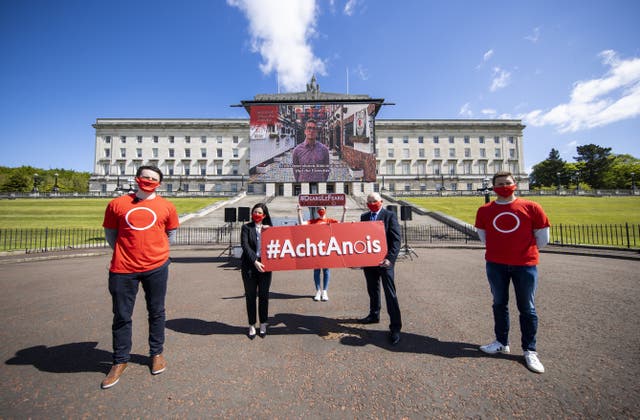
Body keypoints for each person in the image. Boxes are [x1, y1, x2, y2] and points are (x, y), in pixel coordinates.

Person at [101, 165, 179, 389]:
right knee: (122, 315)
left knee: (157, 311)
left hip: (156, 266)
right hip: (123, 268)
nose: (148, 180)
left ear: (160, 183)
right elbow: (111, 234)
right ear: (136, 179)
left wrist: (159, 252)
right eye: (144, 177)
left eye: (153, 178)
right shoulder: (117, 204)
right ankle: (120, 360)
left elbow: (170, 232)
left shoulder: (167, 206)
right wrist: (126, 251)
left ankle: (156, 354)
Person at [474, 171, 550, 374]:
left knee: (527, 308)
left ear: (515, 184)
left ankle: (530, 350)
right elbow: (484, 237)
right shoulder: (485, 210)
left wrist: (522, 251)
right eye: (500, 183)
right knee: (499, 304)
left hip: (525, 264)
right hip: (496, 263)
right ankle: (501, 341)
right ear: (493, 187)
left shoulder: (531, 207)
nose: (504, 186)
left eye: (508, 182)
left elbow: (542, 238)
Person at [359, 192, 403, 345]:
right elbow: (360, 239)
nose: (371, 203)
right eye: (369, 201)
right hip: (369, 261)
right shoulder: (364, 217)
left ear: (381, 201)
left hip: (385, 262)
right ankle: (374, 314)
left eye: (374, 201)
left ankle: (395, 327)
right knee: (372, 289)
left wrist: (390, 259)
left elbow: (396, 240)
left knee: (390, 294)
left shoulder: (389, 215)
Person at [296, 204, 347, 301]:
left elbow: (341, 224)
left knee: (326, 270)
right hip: (316, 248)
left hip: (327, 248)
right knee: (316, 270)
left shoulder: (329, 220)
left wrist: (344, 212)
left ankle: (325, 291)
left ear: (325, 210)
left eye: (322, 209)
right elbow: (302, 224)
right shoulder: (314, 221)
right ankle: (318, 291)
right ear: (316, 211)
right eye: (319, 209)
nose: (320, 210)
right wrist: (299, 211)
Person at [240, 203, 273, 339]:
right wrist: (255, 261)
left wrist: (270, 231)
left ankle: (263, 323)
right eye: (255, 212)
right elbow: (245, 246)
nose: (257, 215)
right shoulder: (246, 227)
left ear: (264, 215)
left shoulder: (269, 229)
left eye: (259, 212)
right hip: (250, 265)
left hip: (266, 265)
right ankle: (252, 324)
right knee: (251, 296)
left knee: (264, 296)